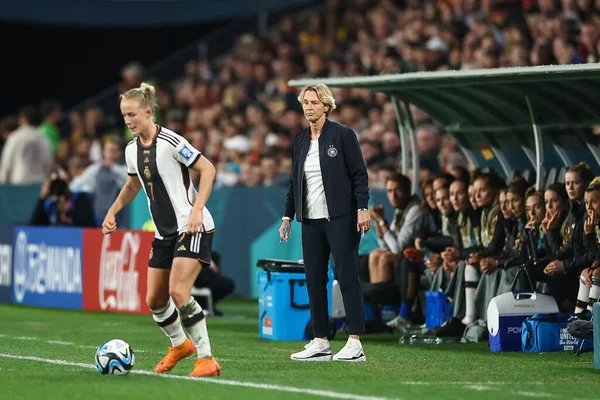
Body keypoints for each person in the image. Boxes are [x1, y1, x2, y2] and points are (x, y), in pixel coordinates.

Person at [101, 82, 221, 377]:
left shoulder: (171, 142)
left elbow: (208, 169)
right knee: (155, 300)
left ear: (147, 112)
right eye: (124, 116)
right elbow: (132, 184)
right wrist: (113, 210)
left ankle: (207, 358)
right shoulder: (131, 151)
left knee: (178, 292)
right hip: (165, 233)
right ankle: (180, 344)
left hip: (193, 226)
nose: (128, 121)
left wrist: (196, 210)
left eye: (132, 115)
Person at [279, 83, 370, 362]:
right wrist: (287, 215)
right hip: (310, 220)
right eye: (305, 102)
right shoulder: (300, 140)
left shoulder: (343, 135)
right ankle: (321, 340)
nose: (309, 107)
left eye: (315, 102)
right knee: (314, 280)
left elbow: (359, 175)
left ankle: (355, 341)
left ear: (327, 106)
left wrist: (362, 208)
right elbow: (295, 182)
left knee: (346, 276)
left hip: (341, 218)